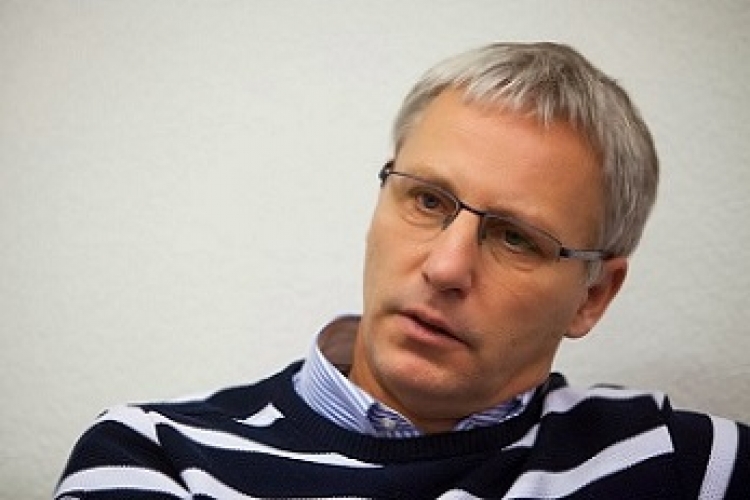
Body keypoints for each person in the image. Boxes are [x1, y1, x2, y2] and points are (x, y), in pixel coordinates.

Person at [54, 42, 749, 499]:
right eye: (428, 200)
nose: (446, 267)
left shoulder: (679, 463)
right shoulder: (159, 455)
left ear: (592, 296)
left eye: (515, 237)